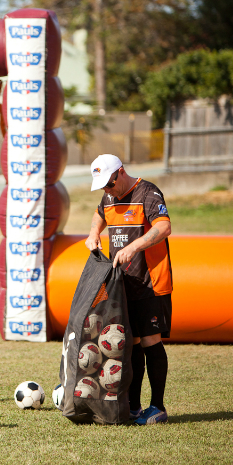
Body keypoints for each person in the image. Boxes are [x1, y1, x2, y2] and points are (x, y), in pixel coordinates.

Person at [84, 154, 172, 425]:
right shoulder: (109, 196)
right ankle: (133, 407)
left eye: (109, 184)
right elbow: (100, 214)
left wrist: (133, 247)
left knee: (150, 343)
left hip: (150, 283)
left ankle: (157, 407)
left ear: (120, 172)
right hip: (122, 285)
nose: (106, 190)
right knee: (129, 346)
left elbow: (165, 226)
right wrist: (94, 234)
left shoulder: (148, 192)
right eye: (102, 187)